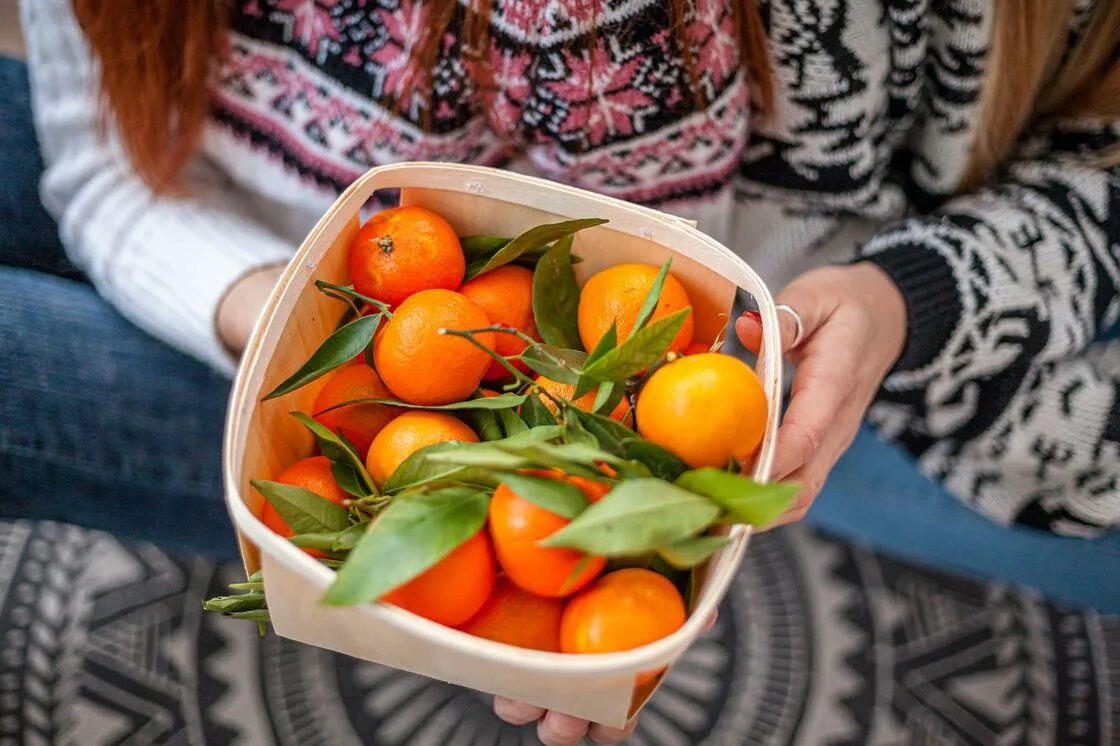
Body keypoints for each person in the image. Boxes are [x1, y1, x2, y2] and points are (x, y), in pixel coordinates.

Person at [4, 0, 1118, 743]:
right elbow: (99, 160)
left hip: (682, 353)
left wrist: (902, 296)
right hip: (324, 329)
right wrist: (273, 318)